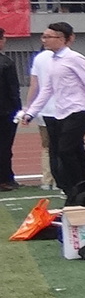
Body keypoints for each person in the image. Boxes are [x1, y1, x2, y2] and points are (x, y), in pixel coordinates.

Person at [21, 22, 85, 194]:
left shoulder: (75, 58)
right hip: (62, 113)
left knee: (65, 150)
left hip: (79, 111)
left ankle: (76, 188)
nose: (44, 40)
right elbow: (47, 90)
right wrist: (30, 112)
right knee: (76, 151)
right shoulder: (52, 61)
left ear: (61, 39)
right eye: (43, 36)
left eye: (48, 37)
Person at [0, 29, 18, 189]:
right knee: (5, 146)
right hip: (5, 111)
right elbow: (13, 89)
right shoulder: (6, 63)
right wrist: (18, 110)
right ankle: (5, 179)